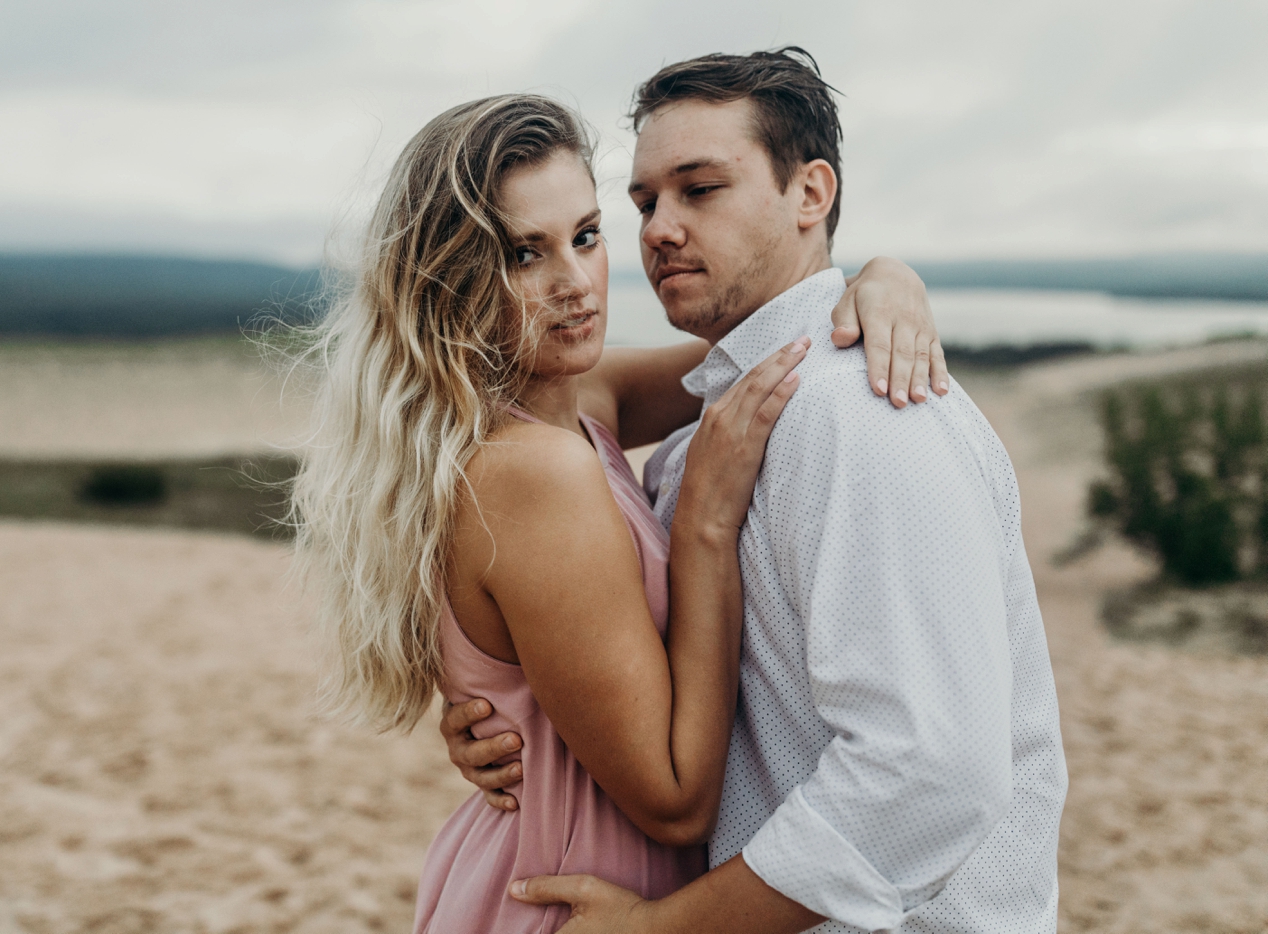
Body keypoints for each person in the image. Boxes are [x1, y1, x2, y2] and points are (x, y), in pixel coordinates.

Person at [443, 49, 1068, 934]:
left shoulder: (863, 414)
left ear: (811, 194)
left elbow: (931, 772)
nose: (657, 229)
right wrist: (517, 705)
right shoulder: (737, 401)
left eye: (700, 190)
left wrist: (672, 927)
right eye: (644, 202)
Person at [291, 92, 944, 934]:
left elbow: (763, 350)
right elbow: (674, 802)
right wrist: (704, 525)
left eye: (586, 236)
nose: (574, 284)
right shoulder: (534, 470)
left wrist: (886, 280)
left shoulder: (575, 398)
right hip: (580, 900)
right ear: (450, 281)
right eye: (523, 255)